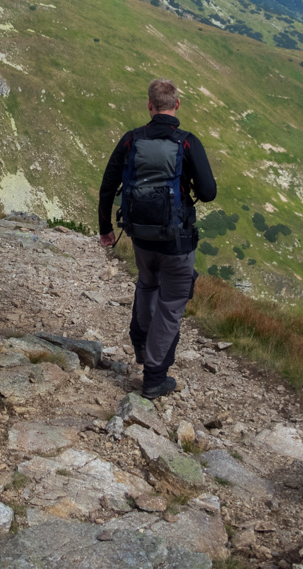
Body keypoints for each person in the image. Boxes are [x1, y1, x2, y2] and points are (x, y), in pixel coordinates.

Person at [98, 78, 217, 399]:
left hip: (140, 237)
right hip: (177, 242)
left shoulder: (131, 140)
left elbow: (108, 186)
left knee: (147, 284)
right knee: (172, 303)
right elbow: (208, 193)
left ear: (149, 106)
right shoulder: (187, 142)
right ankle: (154, 376)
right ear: (176, 105)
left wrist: (105, 229)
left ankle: (140, 340)